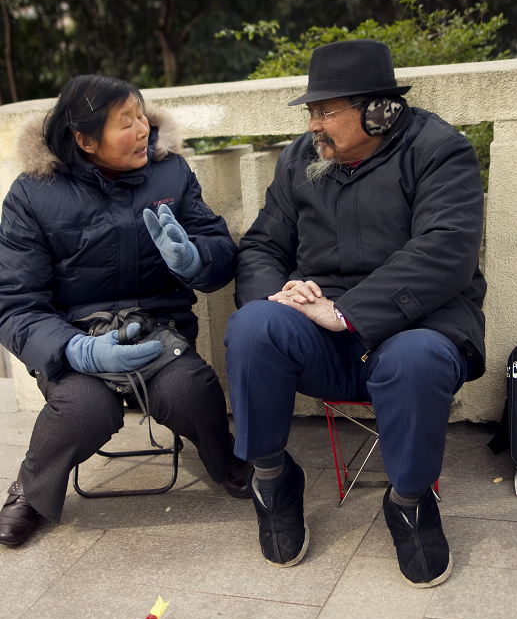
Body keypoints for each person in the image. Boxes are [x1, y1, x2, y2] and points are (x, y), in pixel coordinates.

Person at [224, 40, 486, 588]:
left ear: (378, 112)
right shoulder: (300, 158)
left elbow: (446, 250)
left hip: (418, 325)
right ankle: (272, 480)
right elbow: (263, 246)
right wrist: (280, 296)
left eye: (325, 111)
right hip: (322, 335)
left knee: (416, 358)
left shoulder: (440, 150)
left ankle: (410, 502)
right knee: (253, 326)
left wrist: (345, 313)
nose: (313, 125)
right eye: (311, 112)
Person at [0, 74, 250, 548]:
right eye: (126, 122)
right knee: (83, 410)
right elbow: (14, 302)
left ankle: (227, 459)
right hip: (76, 338)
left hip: (158, 329)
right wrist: (75, 349)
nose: (142, 129)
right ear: (85, 140)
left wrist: (195, 259)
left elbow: (219, 248)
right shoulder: (32, 193)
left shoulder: (171, 173)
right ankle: (30, 490)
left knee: (191, 390)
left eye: (141, 115)